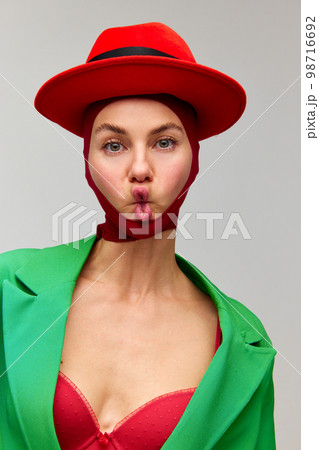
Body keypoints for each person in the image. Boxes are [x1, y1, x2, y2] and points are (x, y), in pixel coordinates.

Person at [0, 22, 277, 449]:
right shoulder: (7, 288)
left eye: (164, 142)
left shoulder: (241, 342)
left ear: (195, 158)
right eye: (114, 145)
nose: (140, 168)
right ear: (88, 160)